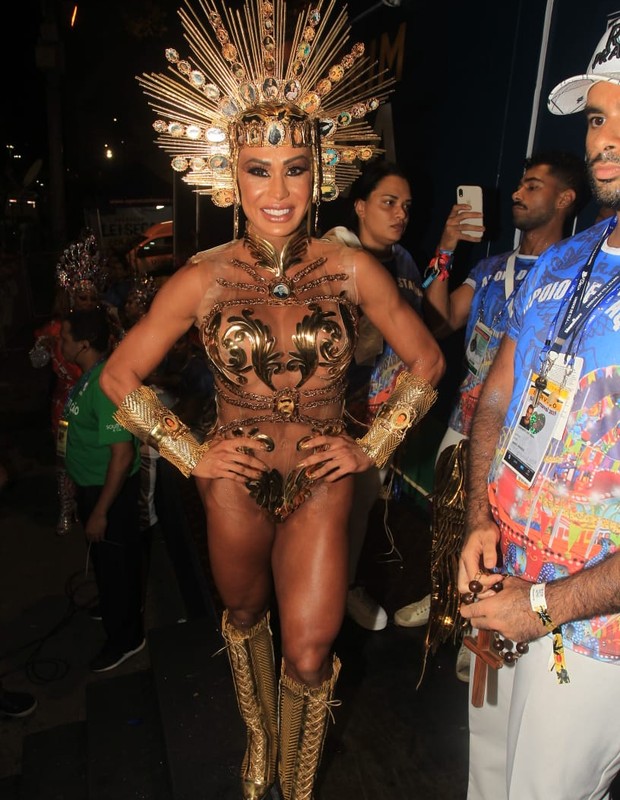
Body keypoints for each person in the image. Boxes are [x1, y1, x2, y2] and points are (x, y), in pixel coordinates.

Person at [100, 1, 444, 798]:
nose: (278, 188)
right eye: (260, 167)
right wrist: (194, 455)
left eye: (294, 166)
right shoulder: (204, 277)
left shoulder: (354, 269)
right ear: (233, 171)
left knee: (313, 651)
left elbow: (426, 361)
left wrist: (371, 446)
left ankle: (294, 785)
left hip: (323, 479)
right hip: (234, 486)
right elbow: (118, 378)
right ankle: (259, 740)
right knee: (247, 622)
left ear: (319, 167)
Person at [458, 20, 620, 799]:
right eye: (596, 117)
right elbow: (494, 399)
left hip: (590, 633)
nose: (604, 141)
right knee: (489, 780)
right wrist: (478, 523)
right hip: (506, 588)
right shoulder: (563, 260)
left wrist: (546, 605)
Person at [393, 152, 589, 671]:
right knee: (450, 521)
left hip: (527, 441)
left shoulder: (577, 273)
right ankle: (445, 603)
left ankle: (479, 636)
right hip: (467, 422)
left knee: (500, 535)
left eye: (533, 185)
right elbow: (437, 324)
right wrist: (447, 247)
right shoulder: (491, 269)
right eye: (519, 185)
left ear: (566, 198)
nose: (517, 194)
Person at [323, 160, 424, 631]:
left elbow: (424, 339)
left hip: (377, 418)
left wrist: (444, 252)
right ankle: (305, 604)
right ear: (360, 206)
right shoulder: (330, 255)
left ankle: (341, 594)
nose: (400, 214)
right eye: (389, 203)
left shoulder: (403, 263)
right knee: (313, 514)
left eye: (406, 205)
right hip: (321, 415)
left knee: (359, 509)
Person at [60, 306, 144, 673]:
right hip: (92, 486)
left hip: (108, 492)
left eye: (64, 338)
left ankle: (126, 639)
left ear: (82, 344)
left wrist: (99, 511)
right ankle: (113, 607)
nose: (59, 343)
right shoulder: (90, 375)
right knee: (108, 564)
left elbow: (122, 455)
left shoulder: (106, 385)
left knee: (115, 568)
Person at [30, 234, 108, 536]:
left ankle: (97, 506)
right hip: (64, 404)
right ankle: (66, 507)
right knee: (64, 456)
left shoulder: (106, 327)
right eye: (81, 297)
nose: (87, 303)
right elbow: (36, 362)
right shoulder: (55, 329)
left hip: (98, 401)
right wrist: (43, 345)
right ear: (70, 296)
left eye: (91, 298)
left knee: (98, 453)